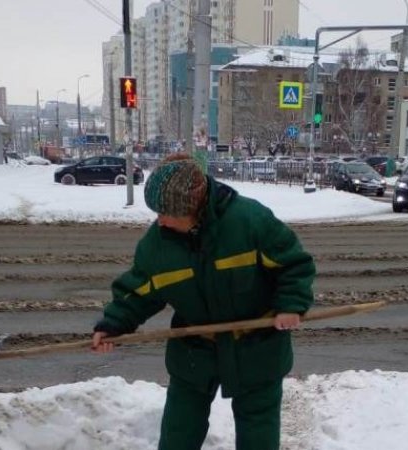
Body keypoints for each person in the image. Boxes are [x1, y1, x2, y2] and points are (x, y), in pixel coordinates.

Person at [92, 154, 315, 450]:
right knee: (179, 431)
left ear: (190, 208)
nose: (160, 220)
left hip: (258, 347)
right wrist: (114, 324)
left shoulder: (250, 222)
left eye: (165, 212)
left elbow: (293, 264)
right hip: (195, 350)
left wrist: (290, 305)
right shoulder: (158, 245)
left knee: (258, 431)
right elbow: (139, 290)